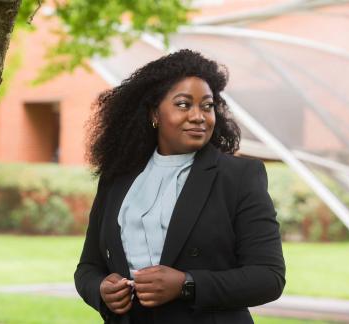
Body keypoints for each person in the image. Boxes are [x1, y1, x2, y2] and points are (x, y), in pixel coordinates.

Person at [74, 49, 285, 324]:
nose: (199, 116)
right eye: (184, 104)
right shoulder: (118, 178)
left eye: (207, 106)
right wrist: (102, 290)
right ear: (154, 114)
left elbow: (268, 277)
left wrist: (186, 284)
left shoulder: (240, 177)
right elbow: (88, 267)